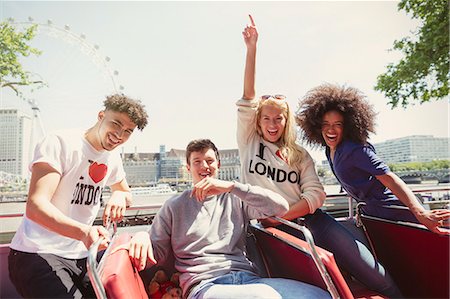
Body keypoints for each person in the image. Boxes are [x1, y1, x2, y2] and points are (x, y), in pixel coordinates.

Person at [237, 15, 402, 297]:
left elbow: (315, 195)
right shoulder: (249, 142)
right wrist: (252, 48)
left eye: (279, 118)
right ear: (258, 121)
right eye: (267, 118)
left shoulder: (300, 155)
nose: (273, 124)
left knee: (374, 272)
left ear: (286, 121)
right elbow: (248, 96)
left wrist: (283, 215)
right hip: (270, 230)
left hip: (312, 222)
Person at [128, 139, 330, 299]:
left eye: (209, 161)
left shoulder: (235, 199)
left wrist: (232, 187)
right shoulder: (174, 206)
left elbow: (280, 207)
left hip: (247, 279)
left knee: (320, 296)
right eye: (197, 162)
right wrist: (141, 236)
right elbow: (157, 253)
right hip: (204, 285)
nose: (204, 166)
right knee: (264, 297)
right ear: (188, 169)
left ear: (218, 165)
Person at [8, 94, 148, 298]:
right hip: (37, 252)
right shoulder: (60, 142)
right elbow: (36, 206)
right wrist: (83, 232)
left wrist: (119, 195)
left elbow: (125, 192)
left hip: (81, 256)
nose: (119, 134)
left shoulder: (112, 157)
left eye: (128, 131)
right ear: (101, 116)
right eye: (116, 123)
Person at [296, 83, 450, 234]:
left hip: (396, 215)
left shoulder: (354, 149)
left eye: (338, 124)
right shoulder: (329, 150)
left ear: (348, 125)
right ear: (316, 125)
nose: (331, 129)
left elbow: (389, 178)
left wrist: (421, 213)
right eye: (325, 124)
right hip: (373, 217)